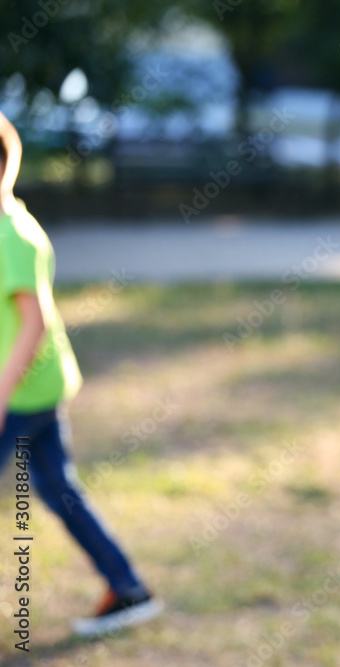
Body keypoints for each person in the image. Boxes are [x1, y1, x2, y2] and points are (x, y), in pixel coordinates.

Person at [0, 111, 162, 637]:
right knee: (58, 489)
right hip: (39, 390)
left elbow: (34, 325)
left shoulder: (10, 237)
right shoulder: (12, 221)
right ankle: (127, 586)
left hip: (21, 395)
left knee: (57, 488)